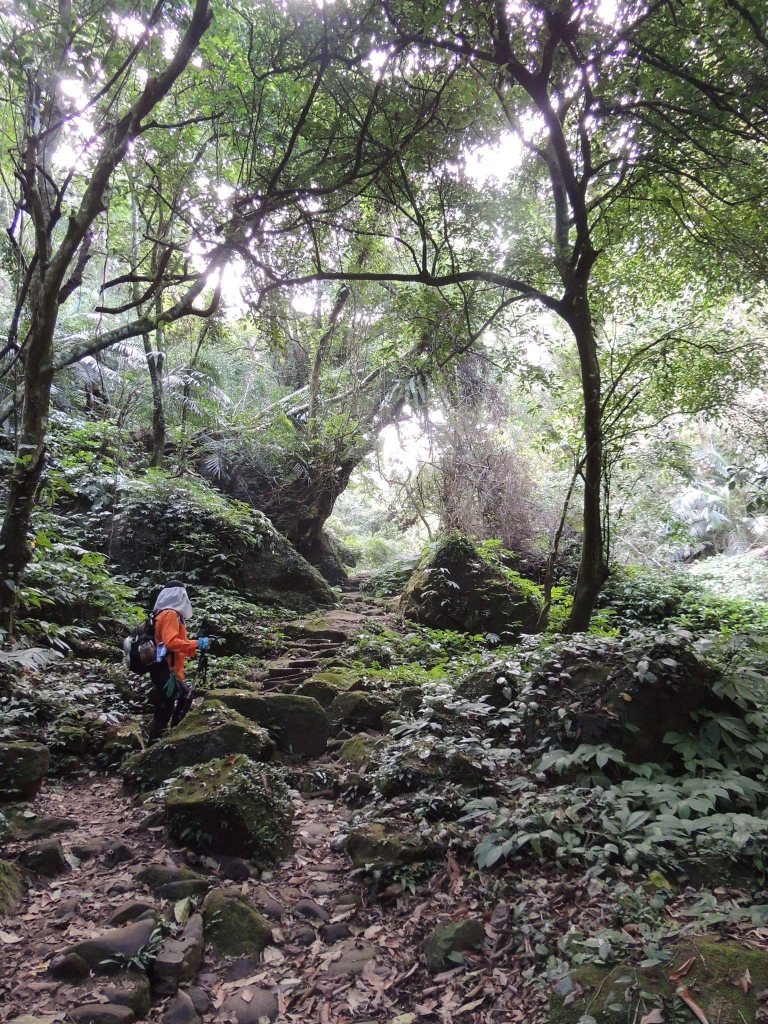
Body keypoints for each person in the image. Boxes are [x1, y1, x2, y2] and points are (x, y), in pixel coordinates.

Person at [148, 579, 209, 743]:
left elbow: (174, 643)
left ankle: (174, 736)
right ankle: (151, 751)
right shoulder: (170, 614)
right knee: (163, 712)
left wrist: (193, 647)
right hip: (166, 671)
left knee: (184, 698)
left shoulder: (163, 613)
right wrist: (197, 643)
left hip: (169, 670)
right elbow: (171, 643)